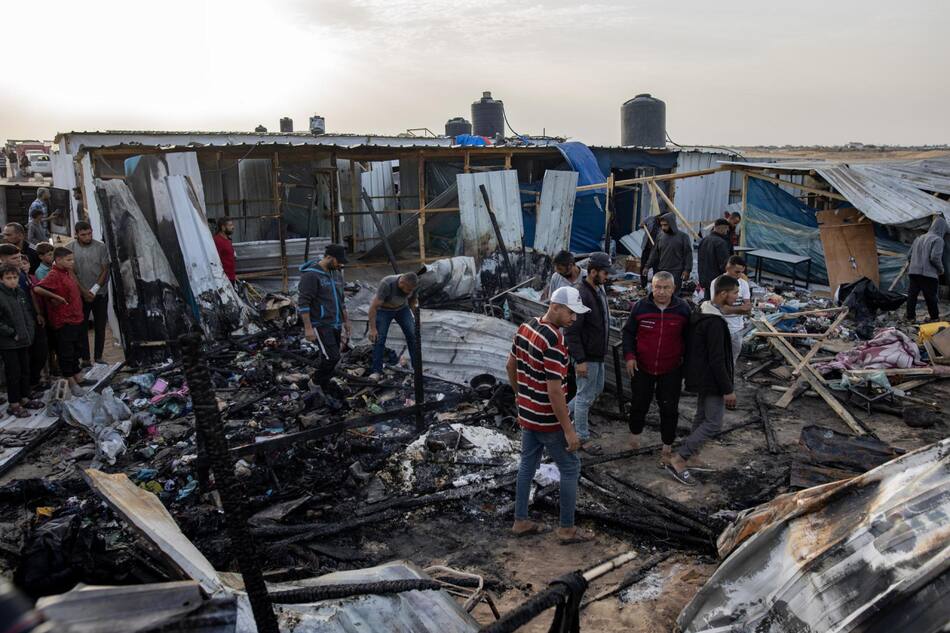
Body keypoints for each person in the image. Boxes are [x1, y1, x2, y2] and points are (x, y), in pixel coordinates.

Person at [508, 286, 591, 544]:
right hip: (548, 419)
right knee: (570, 467)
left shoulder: (526, 328)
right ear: (554, 306)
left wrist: (520, 394)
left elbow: (510, 365)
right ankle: (567, 529)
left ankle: (520, 520)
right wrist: (568, 429)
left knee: (527, 465)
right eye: (570, 312)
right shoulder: (555, 341)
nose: (574, 318)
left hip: (528, 413)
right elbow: (555, 391)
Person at [667, 274, 739, 486]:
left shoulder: (703, 310)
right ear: (723, 293)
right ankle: (679, 458)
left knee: (701, 415)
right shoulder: (714, 322)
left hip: (701, 376)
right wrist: (728, 389)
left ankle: (692, 455)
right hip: (712, 379)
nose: (737, 297)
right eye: (735, 293)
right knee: (714, 423)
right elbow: (717, 359)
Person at [623, 271, 691, 467]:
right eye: (657, 287)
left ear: (673, 288)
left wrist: (686, 367)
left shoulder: (682, 309)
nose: (661, 292)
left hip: (671, 369)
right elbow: (628, 333)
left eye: (666, 288)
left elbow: (690, 340)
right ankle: (634, 439)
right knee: (638, 405)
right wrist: (629, 357)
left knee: (669, 409)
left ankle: (667, 447)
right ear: (651, 287)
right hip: (642, 367)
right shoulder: (640, 307)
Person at [564, 251, 614, 455]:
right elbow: (571, 331)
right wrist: (580, 360)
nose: (607, 277)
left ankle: (561, 415)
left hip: (597, 353)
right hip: (586, 356)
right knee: (584, 396)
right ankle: (582, 437)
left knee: (596, 389)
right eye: (604, 273)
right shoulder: (581, 294)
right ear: (592, 271)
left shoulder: (598, 290)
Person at [297, 244, 352, 389]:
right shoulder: (311, 275)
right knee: (332, 357)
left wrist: (346, 321)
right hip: (320, 324)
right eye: (338, 261)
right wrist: (308, 328)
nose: (340, 264)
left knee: (328, 356)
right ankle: (314, 383)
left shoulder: (337, 274)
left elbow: (341, 300)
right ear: (328, 257)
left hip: (336, 323)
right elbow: (303, 303)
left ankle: (323, 383)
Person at [35, 248, 86, 397]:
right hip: (63, 320)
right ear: (58, 260)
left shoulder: (67, 272)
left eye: (72, 259)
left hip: (76, 317)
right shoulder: (54, 274)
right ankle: (70, 380)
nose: (72, 262)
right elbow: (38, 288)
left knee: (76, 349)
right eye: (68, 260)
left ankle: (78, 376)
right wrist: (55, 297)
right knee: (66, 352)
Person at [0, 264, 43, 417]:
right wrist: (13, 333)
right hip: (9, 343)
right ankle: (14, 403)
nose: (12, 281)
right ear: (2, 279)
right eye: (8, 278)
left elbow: (26, 313)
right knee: (13, 373)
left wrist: (29, 332)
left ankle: (24, 398)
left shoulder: (19, 292)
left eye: (15, 277)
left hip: (24, 339)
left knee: (25, 369)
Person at [67, 222, 110, 366]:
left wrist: (94, 289)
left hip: (100, 293)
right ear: (77, 234)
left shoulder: (101, 247)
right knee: (82, 327)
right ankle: (85, 358)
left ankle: (98, 356)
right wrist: (84, 291)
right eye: (83, 234)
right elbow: (71, 272)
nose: (87, 237)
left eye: (89, 233)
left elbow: (105, 270)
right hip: (80, 295)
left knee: (100, 326)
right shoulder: (70, 249)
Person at [367, 272, 419, 380]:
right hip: (384, 310)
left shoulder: (412, 286)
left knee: (413, 336)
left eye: (411, 290)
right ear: (401, 283)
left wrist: (417, 319)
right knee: (379, 339)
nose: (410, 292)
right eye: (408, 290)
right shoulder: (387, 283)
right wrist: (372, 329)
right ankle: (376, 371)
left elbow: (412, 301)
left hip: (401, 309)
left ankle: (417, 368)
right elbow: (373, 307)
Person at [710, 256, 752, 367]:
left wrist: (737, 309)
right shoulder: (717, 283)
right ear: (728, 268)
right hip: (722, 328)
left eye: (742, 272)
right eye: (737, 272)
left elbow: (748, 308)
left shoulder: (743, 284)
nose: (739, 275)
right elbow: (722, 309)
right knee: (718, 360)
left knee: (732, 361)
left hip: (737, 329)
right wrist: (740, 309)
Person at [905, 216, 947, 323]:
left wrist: (914, 264)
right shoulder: (938, 240)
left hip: (914, 272)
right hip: (928, 274)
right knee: (930, 297)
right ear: (942, 228)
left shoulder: (918, 238)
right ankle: (934, 318)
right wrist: (941, 269)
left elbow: (909, 255)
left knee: (912, 295)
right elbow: (934, 257)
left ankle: (910, 318)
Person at [645, 212, 692, 291]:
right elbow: (654, 253)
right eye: (662, 225)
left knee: (673, 293)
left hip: (676, 271)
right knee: (662, 293)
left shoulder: (683, 237)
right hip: (662, 270)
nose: (663, 227)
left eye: (665, 225)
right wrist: (647, 266)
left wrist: (687, 270)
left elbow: (688, 254)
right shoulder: (660, 236)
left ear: (672, 224)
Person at [698, 218, 732, 292]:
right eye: (726, 229)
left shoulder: (704, 240)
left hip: (704, 279)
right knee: (716, 301)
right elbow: (724, 264)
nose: (727, 231)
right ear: (722, 228)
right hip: (717, 281)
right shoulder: (721, 243)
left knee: (707, 301)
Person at [639, 215, 663, 287]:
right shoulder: (651, 219)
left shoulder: (665, 225)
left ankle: (655, 286)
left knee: (656, 268)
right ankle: (643, 285)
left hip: (657, 250)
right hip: (647, 247)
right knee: (643, 267)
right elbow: (641, 225)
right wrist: (642, 225)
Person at [213, 218, 237, 283]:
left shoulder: (228, 239)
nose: (233, 227)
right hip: (224, 279)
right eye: (230, 225)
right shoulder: (217, 241)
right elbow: (216, 260)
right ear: (223, 227)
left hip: (231, 276)